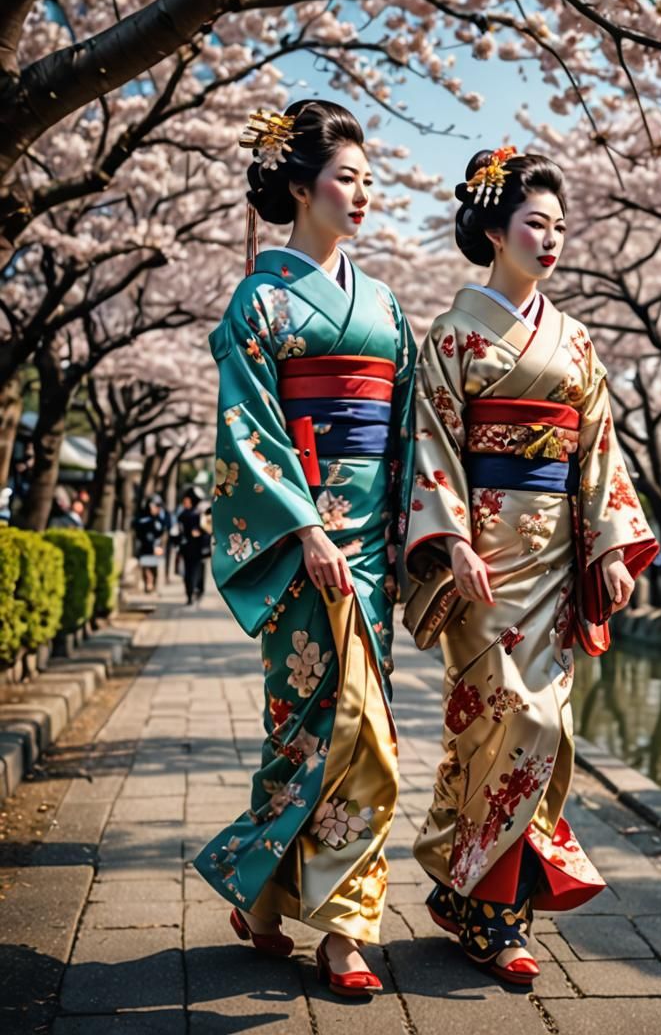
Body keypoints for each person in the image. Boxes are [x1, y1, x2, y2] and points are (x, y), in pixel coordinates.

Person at [404, 148, 658, 987]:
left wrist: (611, 548)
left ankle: (481, 899)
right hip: (484, 557)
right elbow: (432, 444)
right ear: (493, 230)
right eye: (535, 224)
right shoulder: (451, 335)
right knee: (495, 721)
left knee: (545, 729)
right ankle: (486, 909)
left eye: (559, 227)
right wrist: (451, 543)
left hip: (553, 559)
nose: (551, 240)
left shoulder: (575, 339)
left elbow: (598, 451)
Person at [193, 100, 415, 997]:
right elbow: (247, 430)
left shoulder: (386, 304)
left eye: (368, 180)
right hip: (300, 542)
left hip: (370, 546)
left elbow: (407, 435)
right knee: (304, 731)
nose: (362, 194)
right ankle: (271, 895)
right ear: (298, 187)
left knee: (368, 735)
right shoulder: (261, 300)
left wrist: (411, 534)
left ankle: (338, 926)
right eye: (345, 178)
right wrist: (309, 528)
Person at [177, 489, 207, 604]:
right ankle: (190, 593)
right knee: (189, 572)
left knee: (194, 571)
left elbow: (206, 531)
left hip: (196, 548)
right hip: (188, 548)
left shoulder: (198, 515)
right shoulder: (183, 515)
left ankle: (193, 592)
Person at [133, 496, 167, 593]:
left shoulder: (160, 519)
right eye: (155, 506)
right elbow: (139, 533)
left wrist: (160, 546)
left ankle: (153, 585)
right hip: (145, 548)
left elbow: (163, 533)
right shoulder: (142, 519)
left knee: (154, 568)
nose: (157, 509)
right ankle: (148, 584)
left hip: (156, 548)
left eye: (158, 507)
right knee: (146, 567)